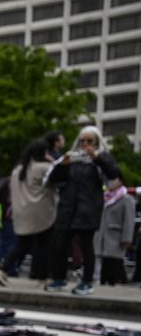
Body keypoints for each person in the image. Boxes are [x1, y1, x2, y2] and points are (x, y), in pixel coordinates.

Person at [44, 125, 122, 296]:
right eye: (82, 141)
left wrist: (97, 159)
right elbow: (53, 180)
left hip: (88, 208)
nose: (85, 144)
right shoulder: (71, 159)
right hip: (68, 207)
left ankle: (87, 281)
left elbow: (115, 174)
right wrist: (62, 166)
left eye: (89, 141)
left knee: (86, 246)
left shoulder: (101, 158)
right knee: (60, 244)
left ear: (96, 142)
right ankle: (59, 278)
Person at [0, 139, 55, 285]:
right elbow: (56, 179)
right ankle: (42, 277)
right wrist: (52, 161)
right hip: (41, 212)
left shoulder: (18, 170)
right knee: (43, 245)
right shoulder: (45, 168)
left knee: (21, 245)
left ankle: (3, 270)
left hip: (21, 212)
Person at [95, 178, 135, 286]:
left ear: (120, 181)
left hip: (116, 237)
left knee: (114, 265)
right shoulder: (105, 197)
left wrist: (127, 239)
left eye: (113, 180)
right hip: (102, 236)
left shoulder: (126, 199)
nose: (110, 183)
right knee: (103, 265)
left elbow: (129, 221)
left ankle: (116, 284)